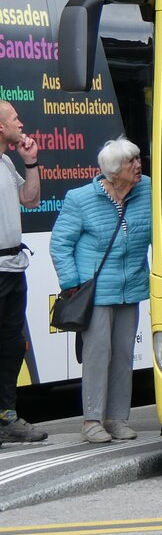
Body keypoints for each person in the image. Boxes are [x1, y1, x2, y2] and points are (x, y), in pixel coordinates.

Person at [50, 136, 152, 443]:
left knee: (123, 354)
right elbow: (60, 244)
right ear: (113, 171)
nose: (138, 165)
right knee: (97, 355)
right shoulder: (80, 199)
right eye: (131, 161)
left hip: (131, 287)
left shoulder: (147, 189)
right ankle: (92, 420)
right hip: (94, 292)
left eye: (137, 159)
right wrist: (72, 285)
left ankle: (117, 418)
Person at [0, 99, 47, 444]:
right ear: (1, 128)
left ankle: (7, 418)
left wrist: (31, 163)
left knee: (13, 346)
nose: (21, 122)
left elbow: (30, 199)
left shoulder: (5, 161)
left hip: (14, 267)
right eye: (15, 118)